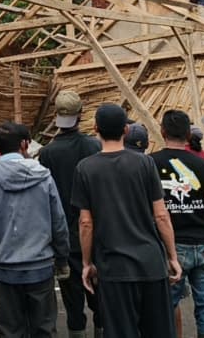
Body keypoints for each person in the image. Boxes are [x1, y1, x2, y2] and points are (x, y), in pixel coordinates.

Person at [73, 104, 182, 338]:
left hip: (114, 269)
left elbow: (85, 223)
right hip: (151, 264)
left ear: (95, 129)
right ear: (125, 130)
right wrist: (171, 256)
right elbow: (161, 215)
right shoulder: (145, 164)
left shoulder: (85, 168)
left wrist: (86, 263)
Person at [0, 121, 69, 338]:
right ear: (24, 144)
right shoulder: (43, 176)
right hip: (40, 266)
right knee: (44, 330)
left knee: (10, 331)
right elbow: (58, 221)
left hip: (4, 269)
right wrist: (62, 259)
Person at [152, 110, 204, 338]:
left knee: (166, 307)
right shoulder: (203, 164)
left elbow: (156, 213)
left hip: (172, 248)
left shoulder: (150, 164)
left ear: (163, 131)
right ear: (188, 134)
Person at [36, 90, 102, 338]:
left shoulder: (48, 153)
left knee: (73, 303)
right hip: (96, 234)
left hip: (64, 238)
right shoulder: (94, 146)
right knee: (101, 300)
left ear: (56, 116)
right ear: (81, 114)